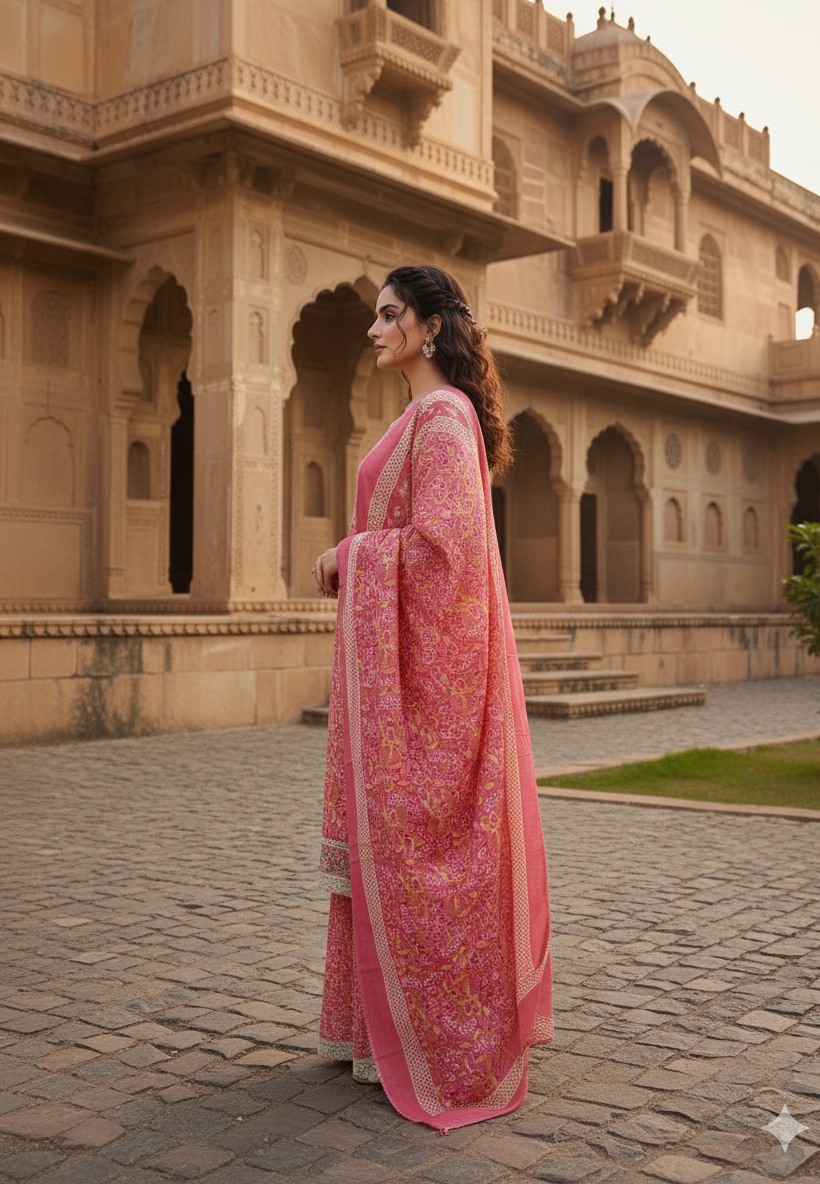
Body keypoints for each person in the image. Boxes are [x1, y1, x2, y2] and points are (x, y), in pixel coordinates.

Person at [312, 265, 553, 1131]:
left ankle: (438, 1041)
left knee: (421, 852)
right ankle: (379, 1037)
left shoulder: (443, 420)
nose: (374, 329)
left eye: (388, 315)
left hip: (430, 689)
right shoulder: (424, 417)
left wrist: (355, 554)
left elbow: (444, 554)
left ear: (426, 325)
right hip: (399, 673)